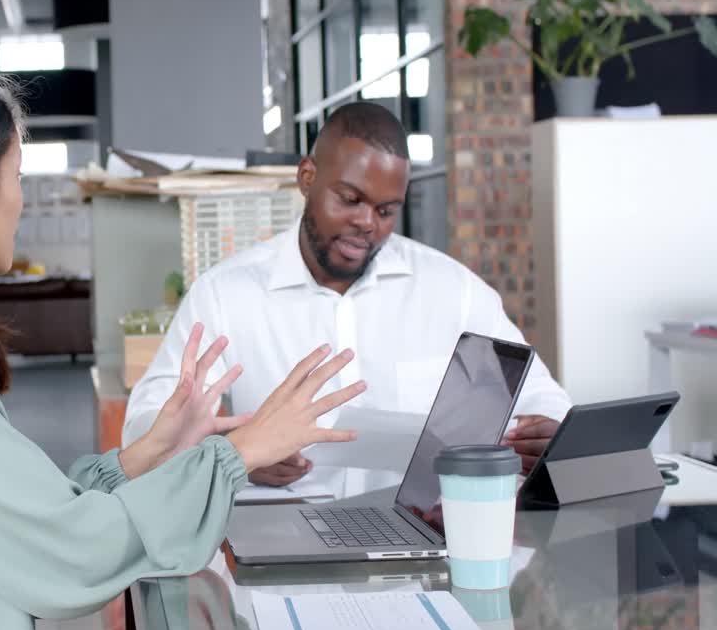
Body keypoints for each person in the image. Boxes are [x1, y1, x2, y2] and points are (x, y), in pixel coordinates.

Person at [0, 69, 367, 630]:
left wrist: (149, 453)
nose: (21, 202)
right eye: (17, 176)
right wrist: (242, 450)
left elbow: (33, 514)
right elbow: (69, 551)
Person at [123, 102, 571, 497]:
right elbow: (143, 427)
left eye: (385, 210)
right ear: (307, 177)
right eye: (350, 199)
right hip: (280, 540)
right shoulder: (225, 295)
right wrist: (234, 455)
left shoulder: (454, 292)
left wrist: (549, 437)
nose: (366, 223)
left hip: (419, 543)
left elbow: (543, 402)